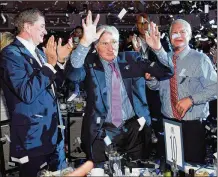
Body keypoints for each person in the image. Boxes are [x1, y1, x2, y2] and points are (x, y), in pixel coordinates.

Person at [66, 10, 173, 165]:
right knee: (102, 171)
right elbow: (73, 75)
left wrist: (158, 49)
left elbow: (167, 72)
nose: (111, 48)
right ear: (95, 46)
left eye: (114, 42)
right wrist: (83, 43)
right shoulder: (89, 63)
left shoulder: (131, 59)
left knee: (136, 170)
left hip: (134, 129)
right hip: (102, 130)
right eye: (105, 43)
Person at [0, 8, 72, 177]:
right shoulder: (10, 54)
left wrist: (59, 62)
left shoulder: (40, 53)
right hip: (33, 140)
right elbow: (26, 93)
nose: (45, 32)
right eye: (42, 26)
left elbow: (57, 86)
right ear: (27, 27)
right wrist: (49, 65)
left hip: (54, 134)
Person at [145, 19, 217, 164]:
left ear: (189, 35)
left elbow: (215, 88)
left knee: (192, 166)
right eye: (174, 33)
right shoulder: (164, 60)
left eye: (182, 32)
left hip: (192, 125)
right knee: (171, 166)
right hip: (168, 123)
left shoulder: (200, 59)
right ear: (170, 37)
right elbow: (157, 87)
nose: (178, 35)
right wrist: (151, 79)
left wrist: (191, 99)